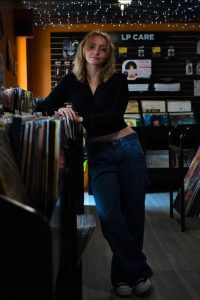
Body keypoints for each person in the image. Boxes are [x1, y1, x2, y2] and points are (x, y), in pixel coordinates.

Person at [36, 30, 153, 297]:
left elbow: (113, 117)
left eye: (102, 48)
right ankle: (139, 271)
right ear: (83, 50)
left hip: (127, 148)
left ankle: (122, 278)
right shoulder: (70, 81)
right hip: (99, 153)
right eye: (92, 46)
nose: (96, 52)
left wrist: (80, 119)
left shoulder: (118, 80)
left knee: (133, 215)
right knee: (110, 216)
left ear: (108, 54)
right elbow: (44, 105)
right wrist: (59, 110)